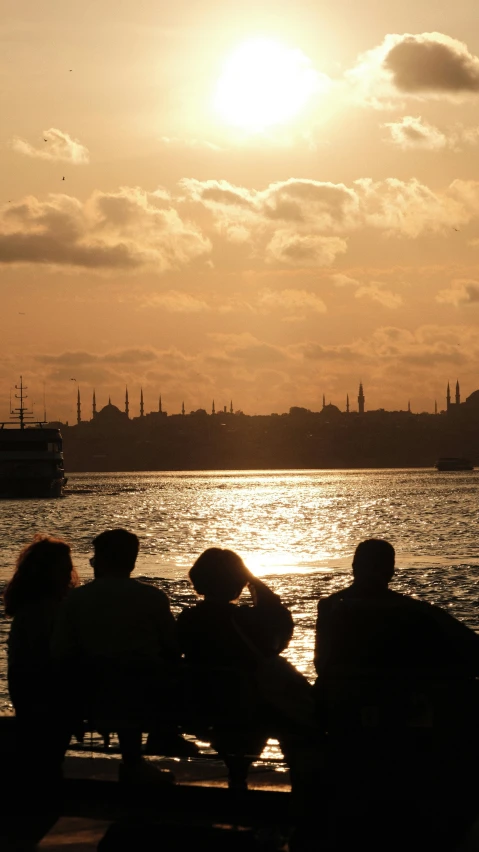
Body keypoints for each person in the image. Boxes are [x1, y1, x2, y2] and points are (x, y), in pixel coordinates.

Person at [52, 528, 181, 780]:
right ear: (132, 562)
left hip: (90, 694)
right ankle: (154, 745)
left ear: (100, 561)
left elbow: (60, 651)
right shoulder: (152, 597)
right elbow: (173, 647)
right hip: (144, 694)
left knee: (114, 675)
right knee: (141, 673)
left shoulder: (75, 600)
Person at [177, 548, 312, 789]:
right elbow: (279, 623)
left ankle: (237, 776)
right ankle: (302, 787)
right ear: (238, 583)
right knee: (297, 722)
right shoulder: (246, 620)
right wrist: (252, 578)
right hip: (247, 708)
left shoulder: (188, 619)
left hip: (203, 707)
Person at [2, 534, 79, 846]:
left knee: (40, 766)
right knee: (45, 770)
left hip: (30, 700)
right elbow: (57, 660)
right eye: (66, 568)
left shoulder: (26, 611)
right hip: (48, 702)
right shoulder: (51, 612)